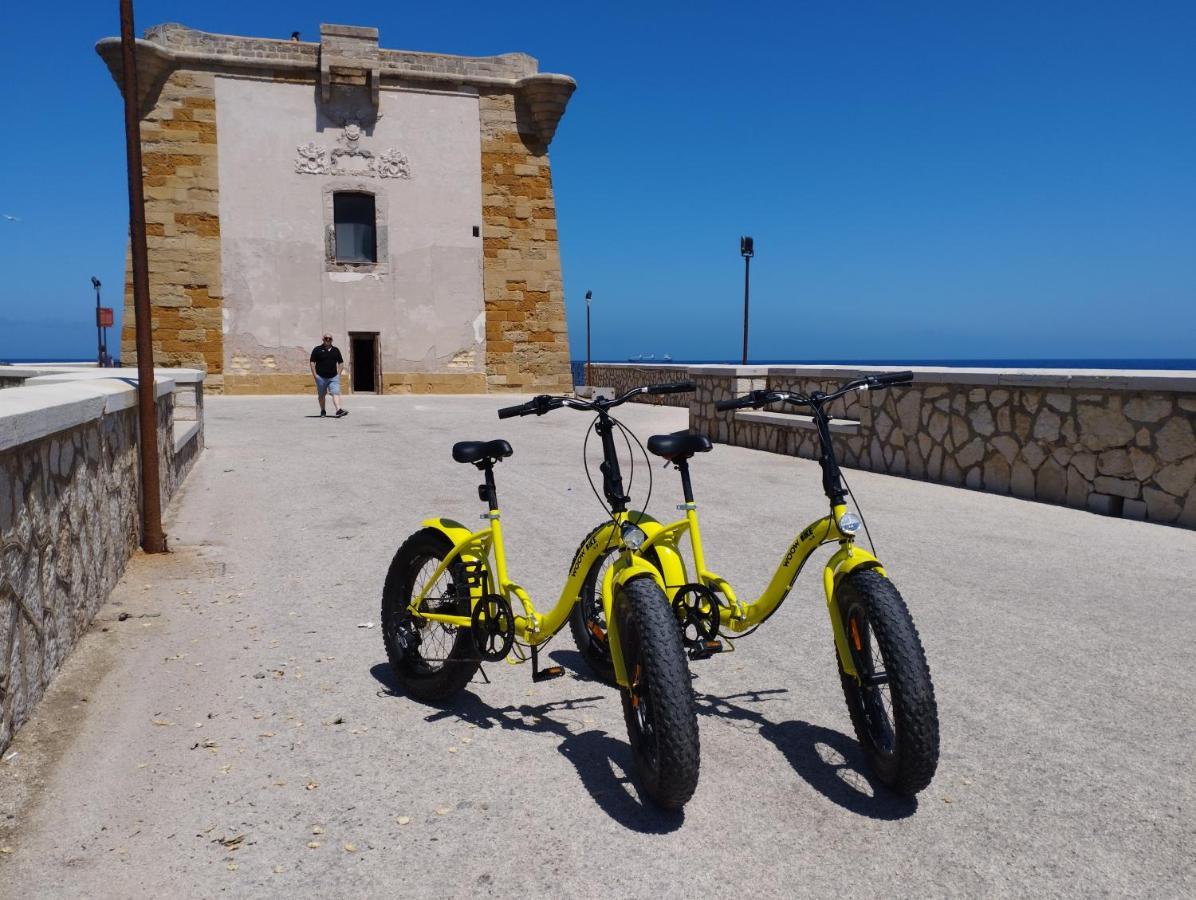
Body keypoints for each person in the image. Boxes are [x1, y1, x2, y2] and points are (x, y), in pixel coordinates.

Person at [309, 333, 347, 418]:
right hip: (321, 377)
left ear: (332, 340)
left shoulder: (336, 350)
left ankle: (338, 410)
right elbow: (312, 362)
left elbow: (341, 363)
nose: (328, 340)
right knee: (322, 395)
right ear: (323, 339)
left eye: (330, 339)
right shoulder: (317, 349)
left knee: (335, 393)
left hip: (333, 377)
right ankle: (323, 410)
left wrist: (338, 375)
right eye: (326, 338)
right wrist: (315, 375)